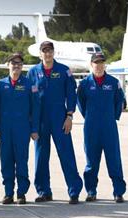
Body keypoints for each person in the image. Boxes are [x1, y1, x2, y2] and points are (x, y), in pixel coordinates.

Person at [27, 41, 83, 204]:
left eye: (50, 51)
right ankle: (44, 191)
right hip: (40, 120)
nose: (47, 54)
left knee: (66, 154)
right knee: (41, 156)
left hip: (60, 118)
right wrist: (32, 124)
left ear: (54, 52)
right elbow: (30, 99)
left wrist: (70, 116)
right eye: (44, 51)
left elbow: (71, 94)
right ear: (40, 54)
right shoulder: (33, 72)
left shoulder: (64, 71)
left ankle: (74, 191)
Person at [77, 53, 126, 203]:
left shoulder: (113, 82)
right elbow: (81, 103)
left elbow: (120, 101)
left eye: (101, 62)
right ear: (91, 65)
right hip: (91, 127)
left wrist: (113, 117)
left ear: (105, 64)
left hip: (109, 127)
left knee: (114, 160)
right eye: (96, 63)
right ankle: (91, 191)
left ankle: (118, 192)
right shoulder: (84, 84)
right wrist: (90, 116)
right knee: (91, 161)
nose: (99, 65)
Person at [0, 53, 40, 204]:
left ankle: (21, 193)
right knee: (6, 160)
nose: (16, 66)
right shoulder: (1, 85)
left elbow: (35, 108)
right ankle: (8, 193)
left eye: (19, 63)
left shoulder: (29, 84)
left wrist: (34, 129)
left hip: (22, 129)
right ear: (8, 65)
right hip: (5, 129)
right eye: (13, 63)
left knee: (21, 160)